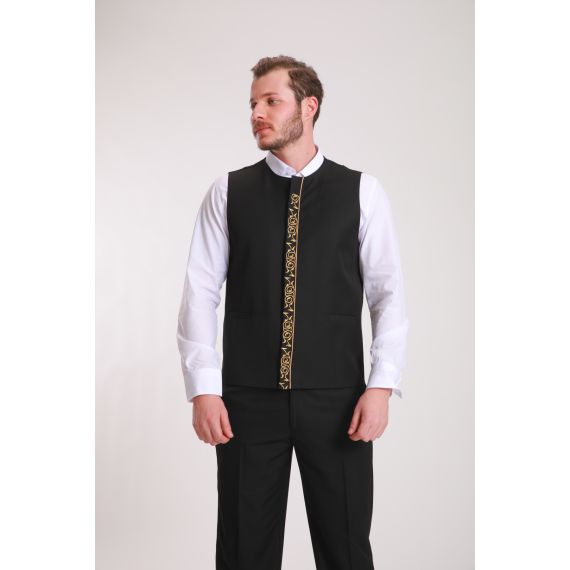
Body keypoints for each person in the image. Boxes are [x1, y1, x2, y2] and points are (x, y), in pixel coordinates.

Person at [177, 55, 409, 570]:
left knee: (346, 548)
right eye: (252, 104)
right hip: (246, 402)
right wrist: (204, 388)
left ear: (309, 106)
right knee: (243, 551)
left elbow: (387, 294)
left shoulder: (362, 192)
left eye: (271, 101)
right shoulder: (228, 192)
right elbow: (200, 293)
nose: (257, 113)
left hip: (339, 401)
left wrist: (381, 386)